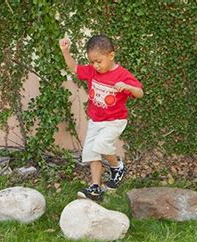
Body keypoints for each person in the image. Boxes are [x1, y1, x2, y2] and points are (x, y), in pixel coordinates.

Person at [59, 34, 143, 201]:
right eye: (92, 62)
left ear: (111, 55)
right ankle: (95, 187)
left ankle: (117, 167)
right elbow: (74, 68)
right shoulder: (91, 71)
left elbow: (140, 93)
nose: (95, 66)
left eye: (99, 61)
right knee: (91, 152)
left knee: (102, 144)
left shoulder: (122, 75)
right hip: (96, 120)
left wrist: (127, 87)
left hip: (115, 120)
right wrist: (65, 52)